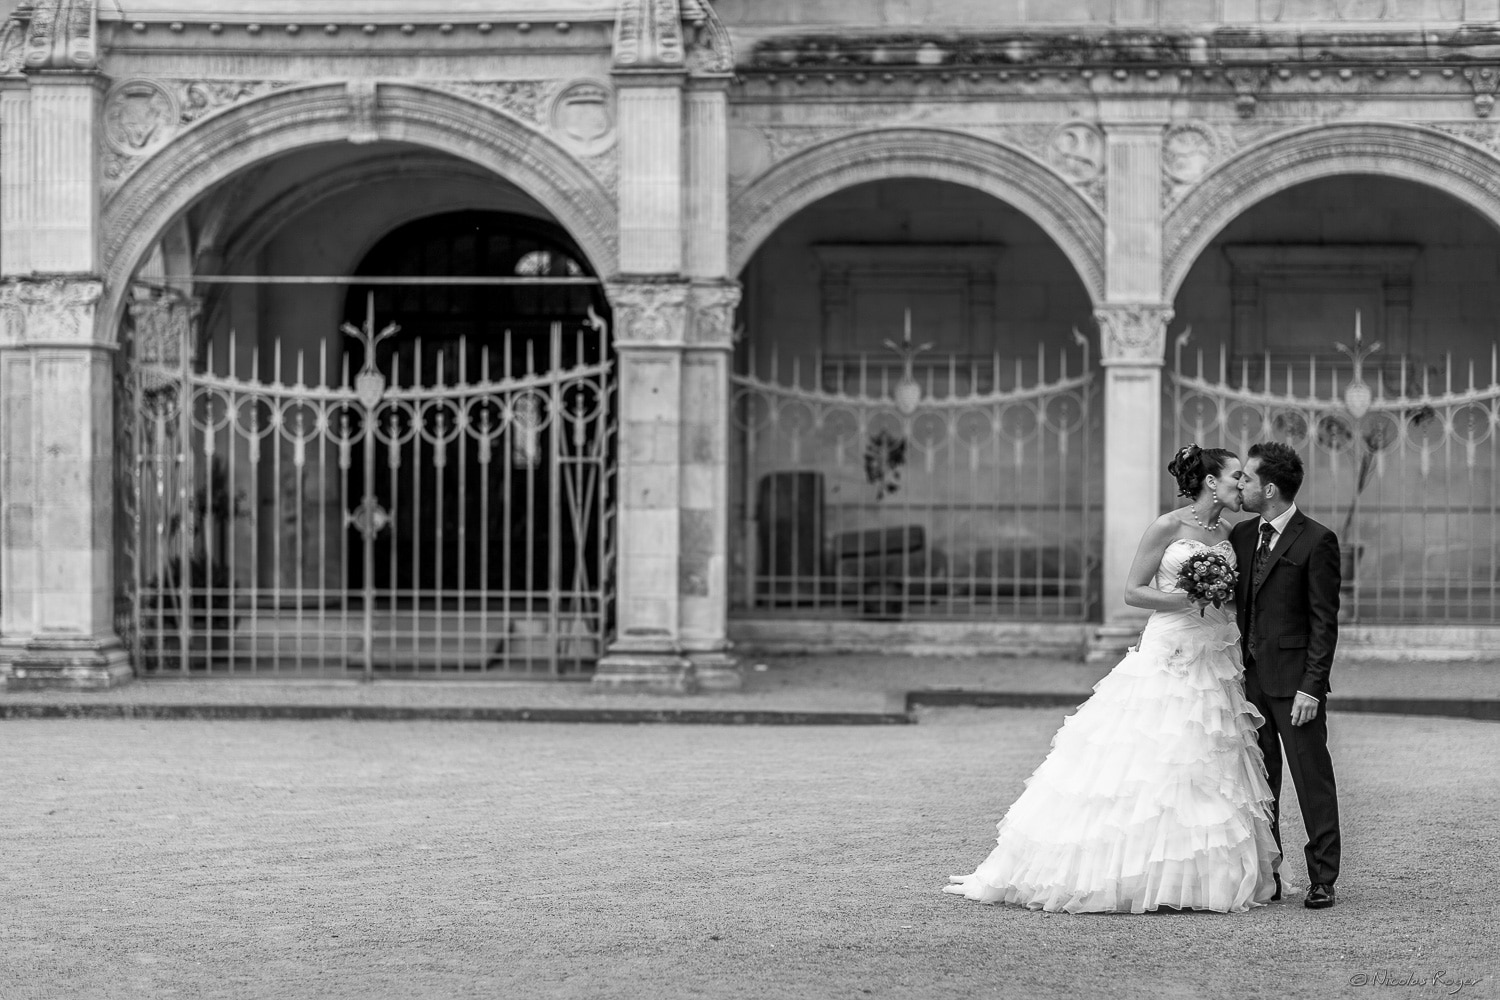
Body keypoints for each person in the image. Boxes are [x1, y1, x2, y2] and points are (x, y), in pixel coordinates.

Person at [943, 445, 1281, 913]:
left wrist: (1218, 597)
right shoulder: (1168, 526)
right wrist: (1188, 596)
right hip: (1170, 647)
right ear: (1209, 482)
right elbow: (1133, 591)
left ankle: (1197, 876)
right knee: (1152, 750)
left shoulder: (1231, 531)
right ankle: (1127, 870)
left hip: (1215, 652)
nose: (1240, 484)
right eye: (1235, 476)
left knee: (1207, 756)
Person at [1232, 441, 1342, 910]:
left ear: (1270, 488)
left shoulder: (1317, 540)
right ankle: (1270, 873)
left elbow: (1324, 622)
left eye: (1247, 478)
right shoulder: (1239, 536)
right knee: (1262, 782)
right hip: (1248, 681)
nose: (1240, 484)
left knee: (1310, 779)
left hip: (1295, 685)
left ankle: (1323, 878)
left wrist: (1311, 688)